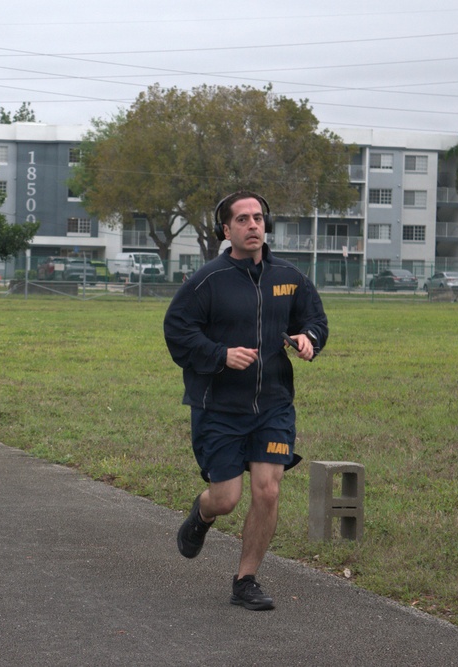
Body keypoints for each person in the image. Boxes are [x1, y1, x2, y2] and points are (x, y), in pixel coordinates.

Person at [163, 191, 328, 611]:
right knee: (226, 498)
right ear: (227, 230)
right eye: (243, 219)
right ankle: (201, 515)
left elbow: (314, 319)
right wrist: (222, 355)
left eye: (258, 218)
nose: (253, 225)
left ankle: (246, 579)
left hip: (273, 404)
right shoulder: (206, 281)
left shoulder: (289, 276)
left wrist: (309, 339)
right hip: (219, 407)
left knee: (268, 491)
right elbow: (178, 332)